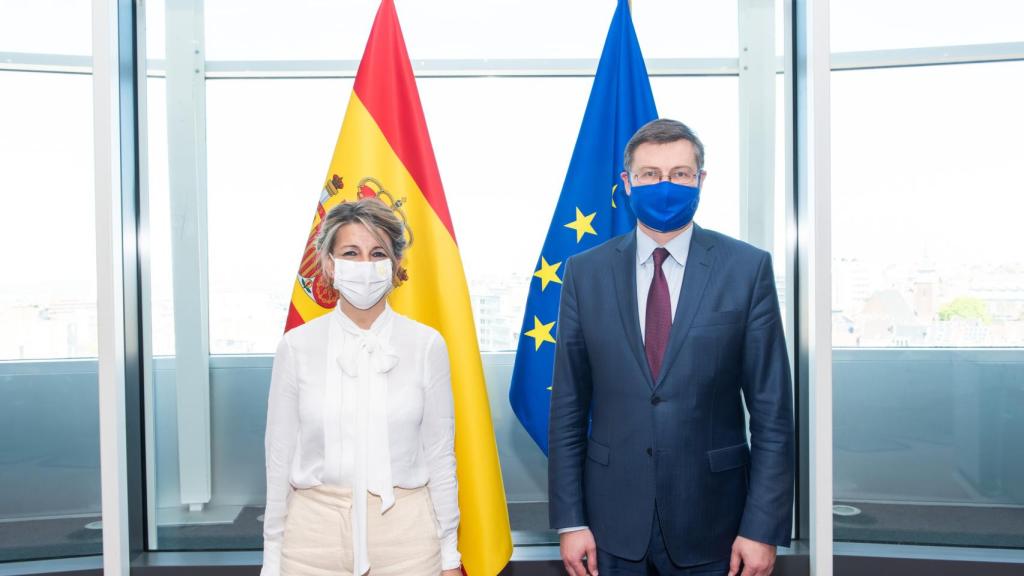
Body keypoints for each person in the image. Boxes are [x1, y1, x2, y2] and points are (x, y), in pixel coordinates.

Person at [549, 119, 794, 576]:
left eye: (680, 173)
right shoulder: (585, 273)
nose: (665, 185)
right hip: (609, 527)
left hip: (717, 526)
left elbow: (772, 414)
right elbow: (567, 407)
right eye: (650, 174)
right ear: (627, 182)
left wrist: (763, 528)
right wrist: (570, 520)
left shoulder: (747, 269)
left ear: (701, 180)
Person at [261, 198, 462, 576]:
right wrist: (272, 555)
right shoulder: (296, 346)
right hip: (312, 536)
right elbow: (279, 456)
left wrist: (449, 554)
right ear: (329, 264)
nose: (365, 266)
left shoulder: (426, 345)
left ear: (396, 264)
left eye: (377, 253)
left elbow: (440, 454)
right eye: (351, 253)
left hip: (407, 535)